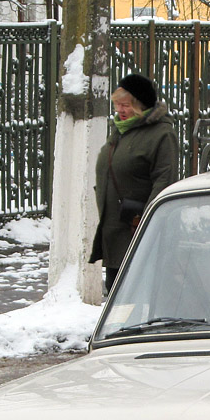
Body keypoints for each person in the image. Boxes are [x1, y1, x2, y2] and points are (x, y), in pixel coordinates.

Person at [90, 73, 179, 293]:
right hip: (115, 230)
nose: (120, 110)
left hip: (138, 232)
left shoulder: (161, 134)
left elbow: (164, 181)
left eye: (126, 105)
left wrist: (148, 220)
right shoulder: (121, 130)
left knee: (135, 295)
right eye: (117, 105)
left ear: (141, 106)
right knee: (116, 294)